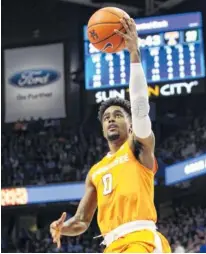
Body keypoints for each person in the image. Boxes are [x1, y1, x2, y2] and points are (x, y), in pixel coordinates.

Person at [50, 16, 171, 253]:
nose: (111, 119)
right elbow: (82, 221)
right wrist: (62, 228)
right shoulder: (95, 172)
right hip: (112, 246)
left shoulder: (138, 148)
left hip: (141, 240)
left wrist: (134, 54)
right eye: (106, 118)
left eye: (117, 115)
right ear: (103, 129)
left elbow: (139, 104)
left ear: (131, 125)